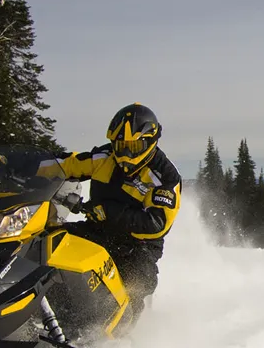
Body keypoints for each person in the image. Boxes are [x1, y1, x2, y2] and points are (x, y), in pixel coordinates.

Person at [48, 103, 182, 306]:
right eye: (121, 146)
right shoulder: (105, 157)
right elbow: (68, 164)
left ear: (150, 142)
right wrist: (25, 166)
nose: (126, 155)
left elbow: (157, 224)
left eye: (134, 147)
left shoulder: (165, 178)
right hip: (98, 230)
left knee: (137, 280)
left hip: (138, 245)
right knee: (48, 241)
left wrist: (108, 212)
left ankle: (125, 332)